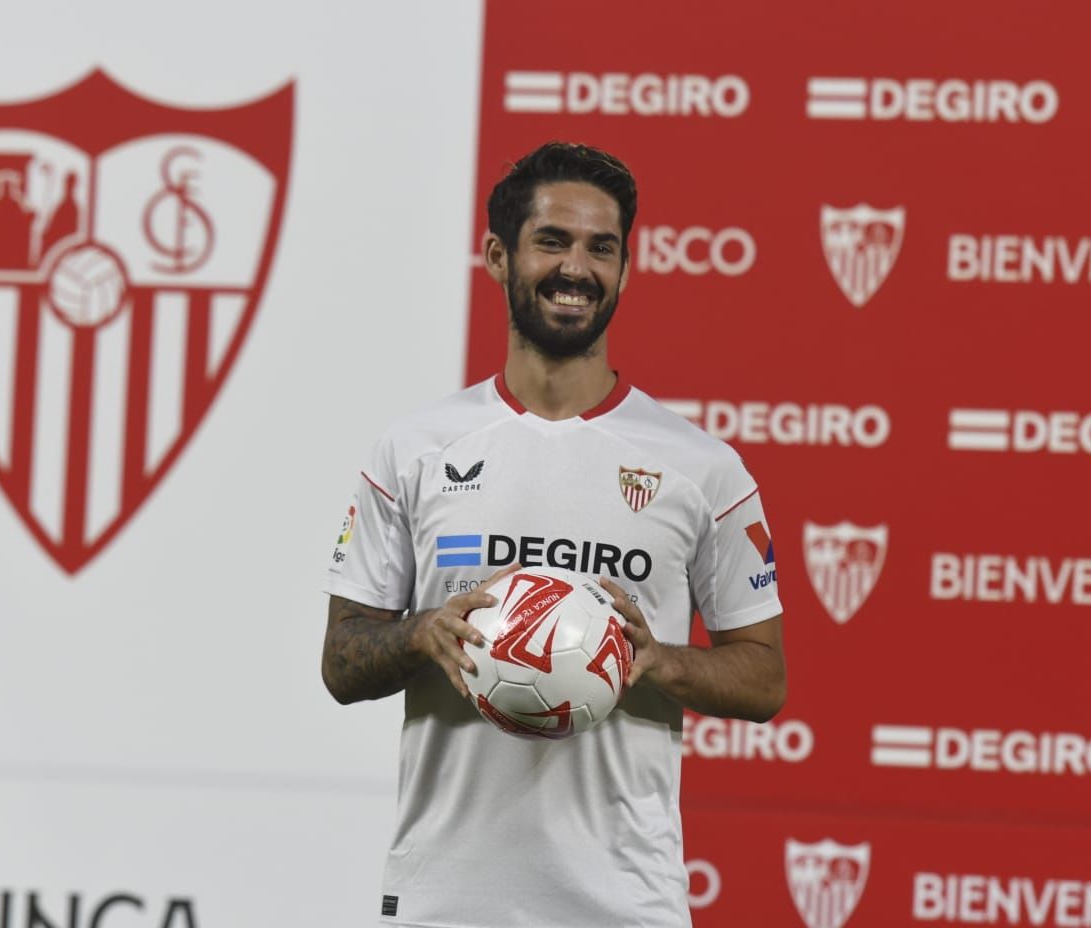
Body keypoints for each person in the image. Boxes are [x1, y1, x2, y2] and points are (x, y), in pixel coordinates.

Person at [322, 141, 786, 928]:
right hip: (446, 899)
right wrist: (422, 635)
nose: (578, 268)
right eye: (553, 242)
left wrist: (657, 660)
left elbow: (765, 678)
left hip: (624, 902)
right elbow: (340, 662)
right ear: (499, 257)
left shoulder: (702, 469)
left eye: (602, 248)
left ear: (626, 269)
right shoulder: (415, 452)